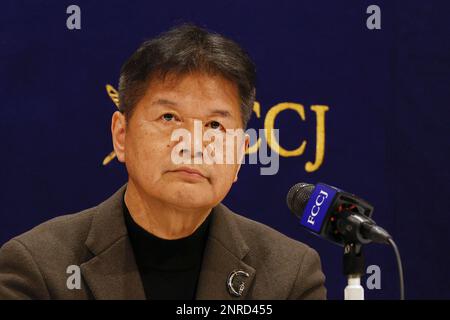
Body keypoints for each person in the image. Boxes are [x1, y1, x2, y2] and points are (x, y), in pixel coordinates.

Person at [0, 24, 326, 300]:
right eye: (169, 117)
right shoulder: (39, 268)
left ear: (240, 153)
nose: (193, 144)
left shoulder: (290, 276)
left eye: (215, 125)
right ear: (121, 134)